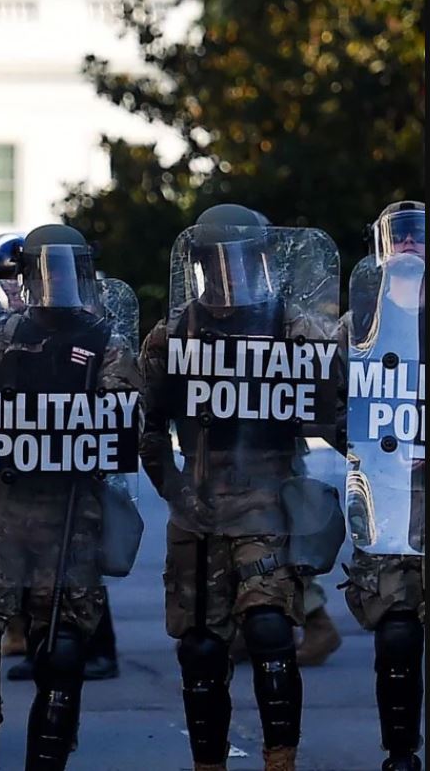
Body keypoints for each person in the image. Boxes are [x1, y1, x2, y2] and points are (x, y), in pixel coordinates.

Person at [139, 204, 344, 771]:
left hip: (269, 503)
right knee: (202, 650)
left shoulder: (295, 330)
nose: (229, 273)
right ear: (200, 263)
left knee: (271, 634)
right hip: (199, 508)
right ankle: (209, 762)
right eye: (216, 260)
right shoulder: (175, 334)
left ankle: (281, 758)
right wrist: (173, 488)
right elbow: (147, 424)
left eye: (239, 259)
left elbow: (342, 413)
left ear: (261, 259)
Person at [0, 224, 141, 771]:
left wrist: (54, 425)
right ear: (28, 274)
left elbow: (123, 428)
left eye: (66, 269)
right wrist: (20, 427)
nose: (55, 280)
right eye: (45, 269)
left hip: (70, 515)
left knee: (62, 651)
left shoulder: (107, 344)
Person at [340, 200, 424, 771]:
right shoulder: (359, 326)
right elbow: (328, 407)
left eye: (419, 238)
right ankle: (401, 753)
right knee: (395, 635)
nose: (410, 247)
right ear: (383, 250)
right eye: (401, 239)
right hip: (388, 498)